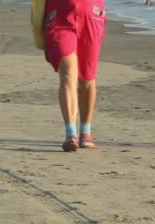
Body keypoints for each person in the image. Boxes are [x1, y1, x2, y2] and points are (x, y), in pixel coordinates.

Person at [44, 0, 107, 151]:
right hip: (59, 17)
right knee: (67, 72)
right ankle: (70, 133)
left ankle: (85, 132)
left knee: (87, 77)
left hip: (92, 14)